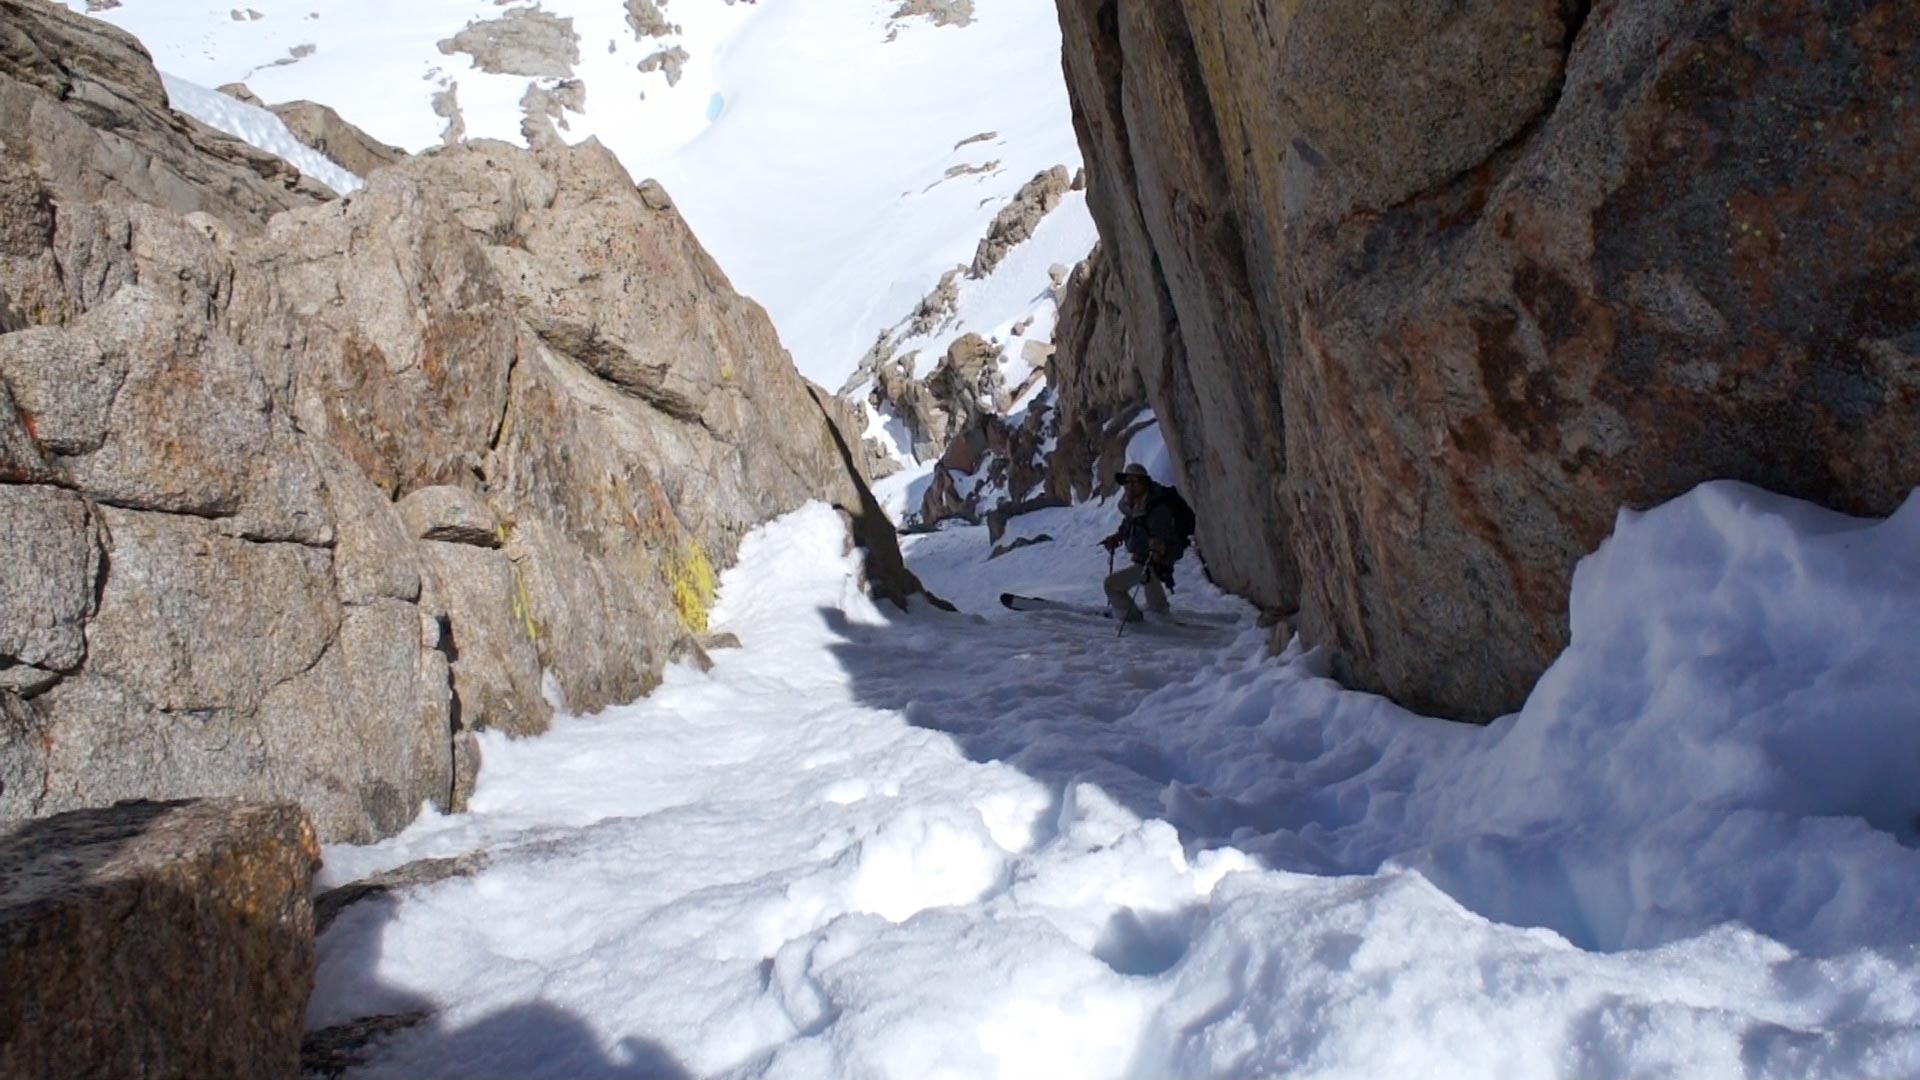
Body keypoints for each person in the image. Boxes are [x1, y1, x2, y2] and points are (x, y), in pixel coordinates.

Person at [1100, 463, 1180, 622]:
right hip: (1145, 562)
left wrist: (1158, 549)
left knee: (1111, 585)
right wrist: (1117, 537)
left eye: (1134, 482)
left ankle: (1129, 619)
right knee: (1157, 608)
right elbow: (1130, 524)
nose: (1129, 486)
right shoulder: (1136, 504)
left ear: (1144, 483)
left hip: (1151, 562)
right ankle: (1162, 615)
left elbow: (1163, 536)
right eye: (1126, 482)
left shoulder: (1155, 509)